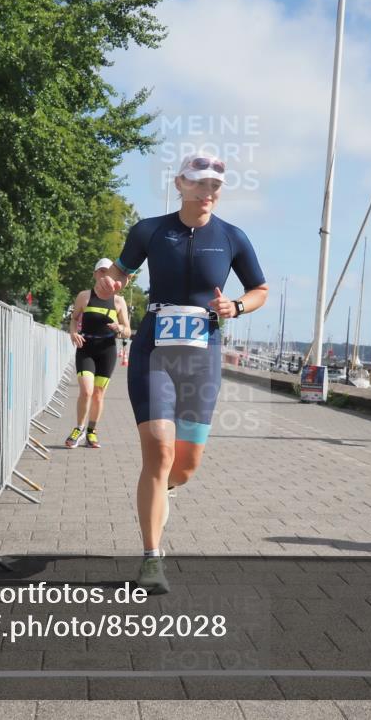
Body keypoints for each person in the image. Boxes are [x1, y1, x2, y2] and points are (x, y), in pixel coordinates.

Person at [94, 152, 268, 594]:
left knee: (185, 465)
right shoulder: (150, 230)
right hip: (154, 351)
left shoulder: (233, 237)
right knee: (159, 454)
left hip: (201, 357)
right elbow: (120, 272)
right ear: (180, 184)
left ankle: (160, 492)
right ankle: (152, 558)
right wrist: (105, 281)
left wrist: (238, 306)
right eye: (199, 182)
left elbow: (259, 289)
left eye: (214, 185)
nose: (207, 191)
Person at [65, 258, 132, 448]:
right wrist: (73, 333)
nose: (104, 275)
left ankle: (92, 432)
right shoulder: (84, 296)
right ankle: (78, 428)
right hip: (86, 348)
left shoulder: (118, 301)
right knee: (86, 391)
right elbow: (73, 319)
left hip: (107, 350)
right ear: (95, 274)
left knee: (98, 393)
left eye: (108, 272)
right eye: (101, 272)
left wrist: (119, 327)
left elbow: (128, 330)